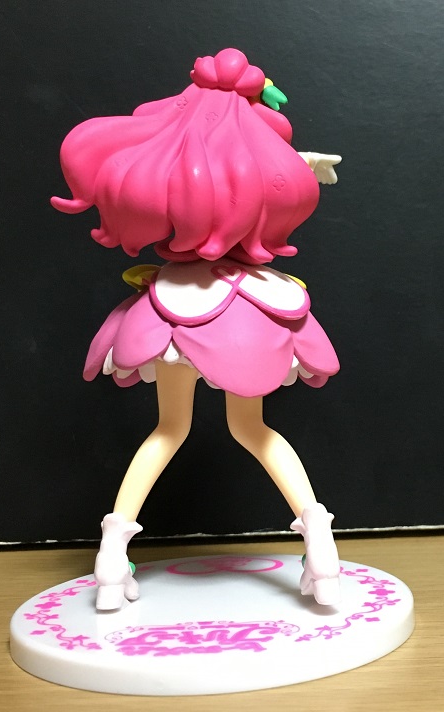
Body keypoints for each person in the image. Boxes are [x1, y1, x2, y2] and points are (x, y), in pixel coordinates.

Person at [52, 48, 342, 610]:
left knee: (168, 429)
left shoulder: (172, 152)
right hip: (252, 308)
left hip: (175, 307)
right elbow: (276, 174)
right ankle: (322, 548)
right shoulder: (262, 158)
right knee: (252, 429)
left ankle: (110, 559)